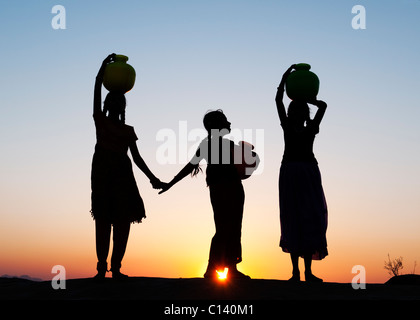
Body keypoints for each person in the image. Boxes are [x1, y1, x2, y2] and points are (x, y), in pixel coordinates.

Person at [91, 54, 162, 280]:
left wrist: (152, 178)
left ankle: (115, 268)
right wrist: (102, 69)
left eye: (116, 102)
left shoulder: (127, 130)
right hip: (104, 176)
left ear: (121, 106)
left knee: (120, 223)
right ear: (107, 105)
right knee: (104, 222)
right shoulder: (100, 120)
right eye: (110, 102)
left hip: (121, 177)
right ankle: (103, 268)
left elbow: (138, 158)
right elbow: (95, 94)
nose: (112, 104)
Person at [159, 110, 250, 280]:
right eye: (225, 121)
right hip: (223, 190)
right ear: (218, 126)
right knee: (224, 228)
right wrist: (170, 183)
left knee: (233, 228)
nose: (229, 123)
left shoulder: (227, 144)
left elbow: (246, 167)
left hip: (234, 189)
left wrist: (249, 157)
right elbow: (191, 166)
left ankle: (231, 268)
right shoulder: (210, 145)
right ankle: (212, 268)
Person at [275, 65, 328, 282]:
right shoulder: (286, 126)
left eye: (300, 110)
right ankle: (295, 272)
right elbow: (278, 100)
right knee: (292, 218)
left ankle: (308, 272)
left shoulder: (311, 127)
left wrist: (309, 98)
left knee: (310, 218)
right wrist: (286, 75)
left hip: (308, 172)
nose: (295, 113)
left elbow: (323, 105)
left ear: (306, 114)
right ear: (288, 114)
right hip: (290, 172)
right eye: (293, 110)